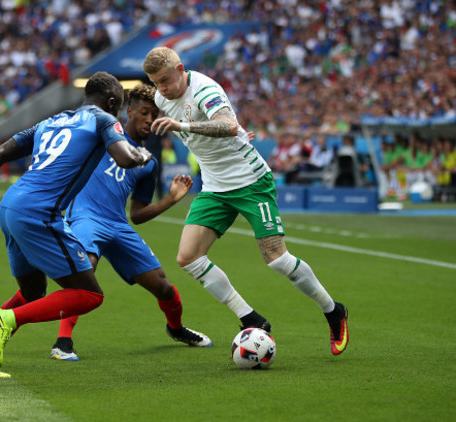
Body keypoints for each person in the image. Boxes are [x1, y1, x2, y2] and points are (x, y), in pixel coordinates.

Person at [0, 72, 152, 379]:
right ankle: (7, 318)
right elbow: (124, 158)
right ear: (110, 102)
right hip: (39, 214)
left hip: (10, 206)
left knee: (33, 291)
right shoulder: (105, 121)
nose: (118, 114)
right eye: (118, 107)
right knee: (89, 295)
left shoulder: (50, 121)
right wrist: (142, 155)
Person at [142, 47, 349, 356]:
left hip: (250, 182)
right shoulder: (162, 98)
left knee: (276, 259)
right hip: (215, 187)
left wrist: (184, 126)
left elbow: (227, 125)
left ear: (181, 69)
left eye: (166, 80)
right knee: (187, 257)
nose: (163, 89)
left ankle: (334, 311)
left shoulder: (205, 90)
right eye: (156, 83)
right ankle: (251, 318)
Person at [50, 84, 211, 361]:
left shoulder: (148, 163)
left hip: (117, 224)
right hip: (85, 216)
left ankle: (176, 328)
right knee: (85, 269)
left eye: (154, 115)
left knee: (164, 286)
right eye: (144, 113)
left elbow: (137, 214)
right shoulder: (104, 132)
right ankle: (62, 341)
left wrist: (171, 200)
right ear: (130, 111)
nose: (150, 120)